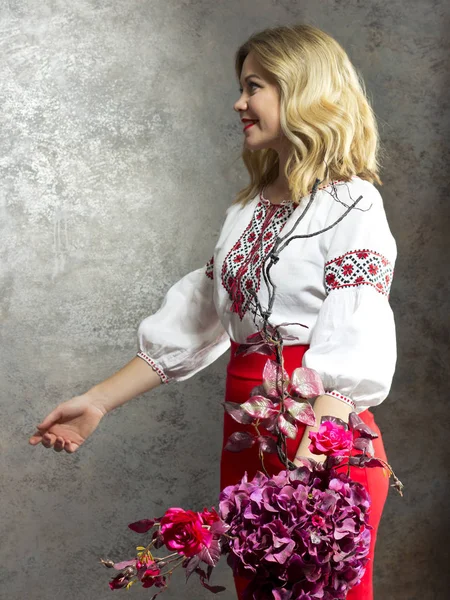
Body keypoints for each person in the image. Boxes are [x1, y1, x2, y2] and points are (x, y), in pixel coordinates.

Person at [29, 23, 397, 600]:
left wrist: (318, 441)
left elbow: (360, 323)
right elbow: (197, 320)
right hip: (247, 438)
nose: (239, 102)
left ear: (299, 90)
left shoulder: (353, 201)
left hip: (322, 434)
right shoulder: (247, 210)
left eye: (253, 87)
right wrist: (97, 401)